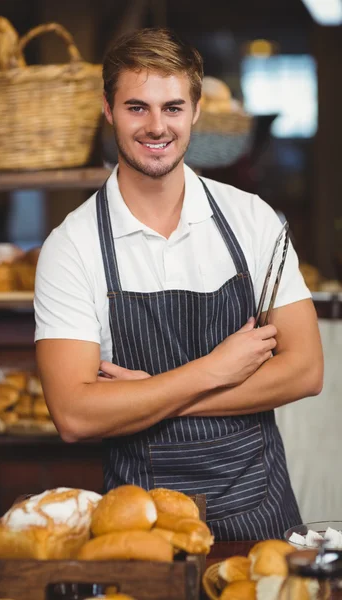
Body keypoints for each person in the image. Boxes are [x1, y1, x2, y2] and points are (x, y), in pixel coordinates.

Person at [34, 28, 323, 541]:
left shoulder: (252, 219)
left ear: (194, 112)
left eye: (172, 107)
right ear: (108, 110)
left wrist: (148, 395)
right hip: (141, 523)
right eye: (136, 107)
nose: (156, 126)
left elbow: (305, 371)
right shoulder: (71, 246)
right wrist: (215, 369)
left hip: (262, 510)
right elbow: (74, 414)